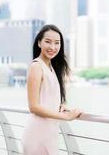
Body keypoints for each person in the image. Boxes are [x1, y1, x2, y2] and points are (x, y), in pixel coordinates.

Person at [22, 24, 82, 155]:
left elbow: (47, 97)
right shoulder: (36, 66)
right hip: (37, 134)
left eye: (57, 43)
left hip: (50, 134)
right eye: (48, 42)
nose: (53, 47)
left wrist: (60, 106)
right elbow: (33, 107)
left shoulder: (52, 68)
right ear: (39, 43)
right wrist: (65, 116)